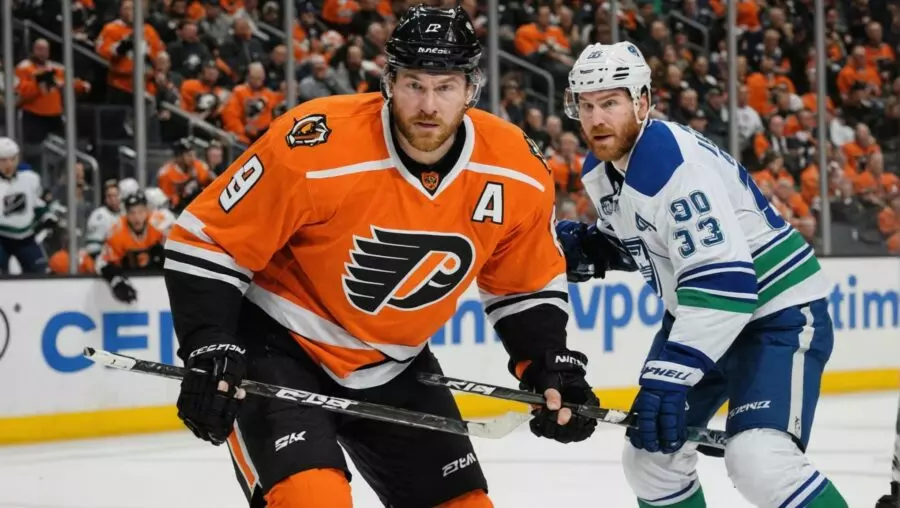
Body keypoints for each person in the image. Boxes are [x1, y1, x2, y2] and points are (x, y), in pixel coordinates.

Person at [162, 6, 598, 508]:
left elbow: (524, 282)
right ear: (388, 82)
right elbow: (207, 239)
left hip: (397, 365)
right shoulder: (315, 142)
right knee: (312, 500)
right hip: (279, 348)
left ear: (471, 89)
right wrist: (209, 343)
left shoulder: (516, 167)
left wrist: (547, 366)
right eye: (414, 84)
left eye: (445, 87)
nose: (428, 105)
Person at [557, 41, 848, 507]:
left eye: (610, 103)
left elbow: (725, 285)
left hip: (775, 316)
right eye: (586, 106)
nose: (596, 119)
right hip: (703, 314)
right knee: (650, 459)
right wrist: (596, 248)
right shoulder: (603, 166)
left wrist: (669, 377)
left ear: (642, 102)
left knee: (760, 460)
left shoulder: (670, 162)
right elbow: (658, 241)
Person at [96, 192, 167, 303]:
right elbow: (101, 263)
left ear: (147, 211)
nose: (137, 217)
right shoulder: (117, 232)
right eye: (132, 213)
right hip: (128, 275)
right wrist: (115, 279)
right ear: (126, 214)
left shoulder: (160, 225)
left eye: (140, 211)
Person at [0, 136, 52, 274]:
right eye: (3, 160)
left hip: (26, 237)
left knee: (40, 272)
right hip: (1, 238)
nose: (9, 164)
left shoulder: (30, 178)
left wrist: (46, 215)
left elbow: (37, 203)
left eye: (12, 159)